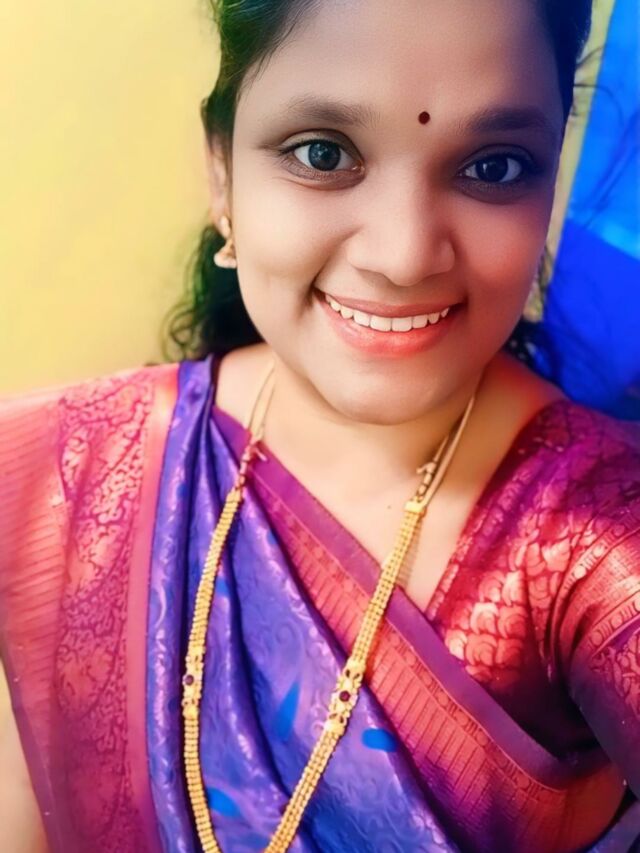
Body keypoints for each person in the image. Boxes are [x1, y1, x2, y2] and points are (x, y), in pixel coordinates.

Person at [1, 0, 640, 851]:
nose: (404, 255)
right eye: (323, 154)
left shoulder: (597, 533)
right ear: (222, 173)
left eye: (494, 167)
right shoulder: (68, 469)